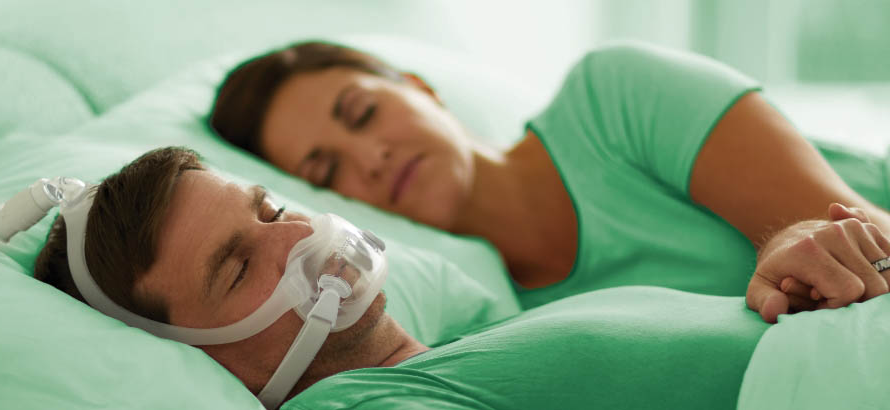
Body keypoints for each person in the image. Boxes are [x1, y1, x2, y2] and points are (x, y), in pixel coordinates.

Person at [34, 147, 776, 409]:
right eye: (238, 267)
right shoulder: (358, 404)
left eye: (270, 210)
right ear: (192, 353)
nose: (299, 234)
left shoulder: (467, 352)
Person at [209, 40, 890, 322]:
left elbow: (862, 231)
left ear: (420, 88)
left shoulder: (614, 98)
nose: (371, 157)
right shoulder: (482, 319)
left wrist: (803, 243)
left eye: (363, 113)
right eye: (326, 170)